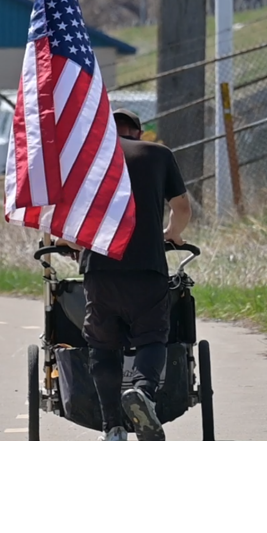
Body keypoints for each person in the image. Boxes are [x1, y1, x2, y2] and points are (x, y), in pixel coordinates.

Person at [67, 108, 192, 441]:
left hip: (101, 269)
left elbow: (66, 217)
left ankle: (112, 428)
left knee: (103, 344)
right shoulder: (158, 154)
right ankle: (143, 392)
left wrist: (74, 243)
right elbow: (181, 209)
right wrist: (170, 234)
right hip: (147, 266)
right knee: (152, 336)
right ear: (138, 133)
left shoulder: (89, 157)